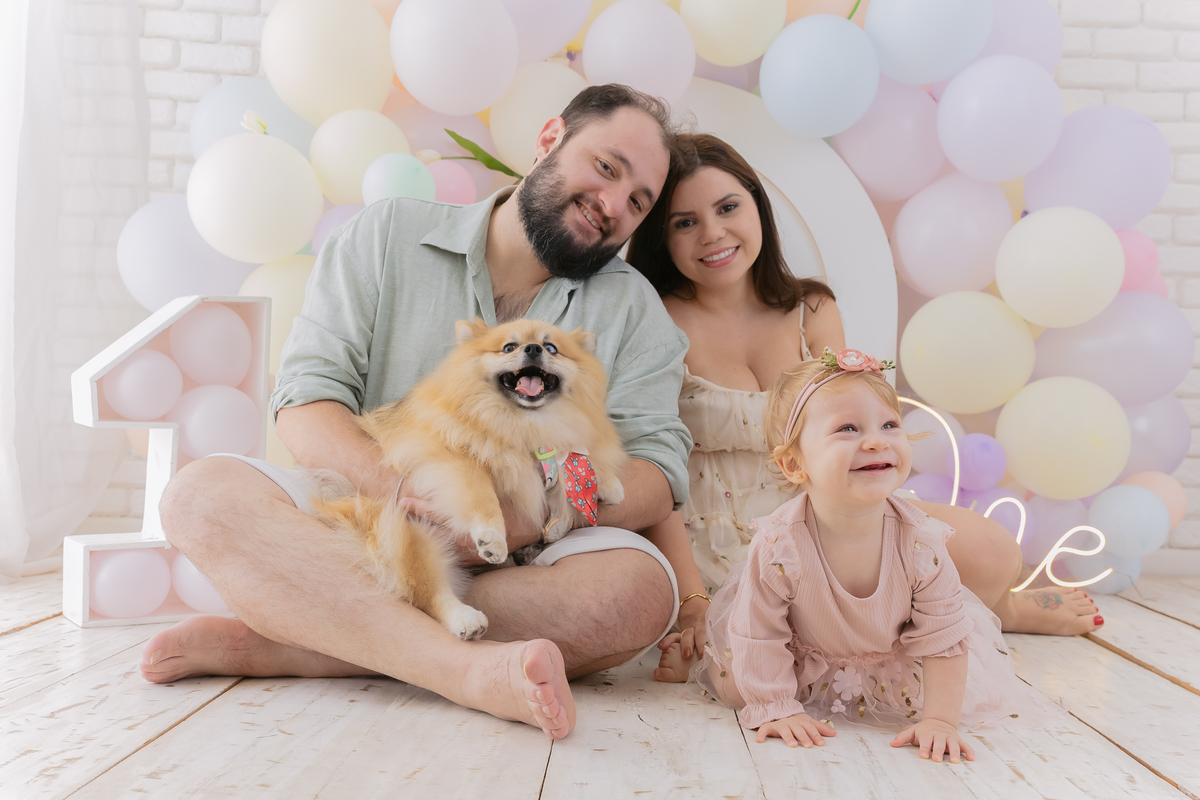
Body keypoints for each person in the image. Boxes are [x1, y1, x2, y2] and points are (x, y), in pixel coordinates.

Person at [138, 85, 697, 741]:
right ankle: (463, 671)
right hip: (364, 518)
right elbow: (306, 400)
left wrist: (542, 508)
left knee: (637, 593)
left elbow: (655, 472)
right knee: (198, 498)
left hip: (527, 562)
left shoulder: (634, 312)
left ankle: (296, 642)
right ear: (550, 139)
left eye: (638, 202)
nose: (612, 207)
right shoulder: (387, 235)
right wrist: (403, 493)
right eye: (606, 168)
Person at [625, 134, 1101, 680]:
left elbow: (856, 434)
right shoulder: (655, 321)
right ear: (662, 237)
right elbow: (656, 475)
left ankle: (1003, 608)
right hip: (706, 543)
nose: (713, 234)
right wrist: (690, 599)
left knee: (991, 551)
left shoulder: (811, 307)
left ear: (757, 206)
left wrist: (882, 532)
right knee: (758, 656)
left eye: (728, 207)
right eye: (684, 222)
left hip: (829, 518)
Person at [680, 351, 1052, 760]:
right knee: (736, 684)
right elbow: (759, 632)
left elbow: (942, 634)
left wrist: (940, 720)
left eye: (889, 425)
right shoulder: (779, 546)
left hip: (888, 662)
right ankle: (699, 664)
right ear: (793, 463)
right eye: (848, 428)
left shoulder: (921, 543)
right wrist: (776, 706)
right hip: (797, 659)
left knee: (936, 687)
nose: (876, 441)